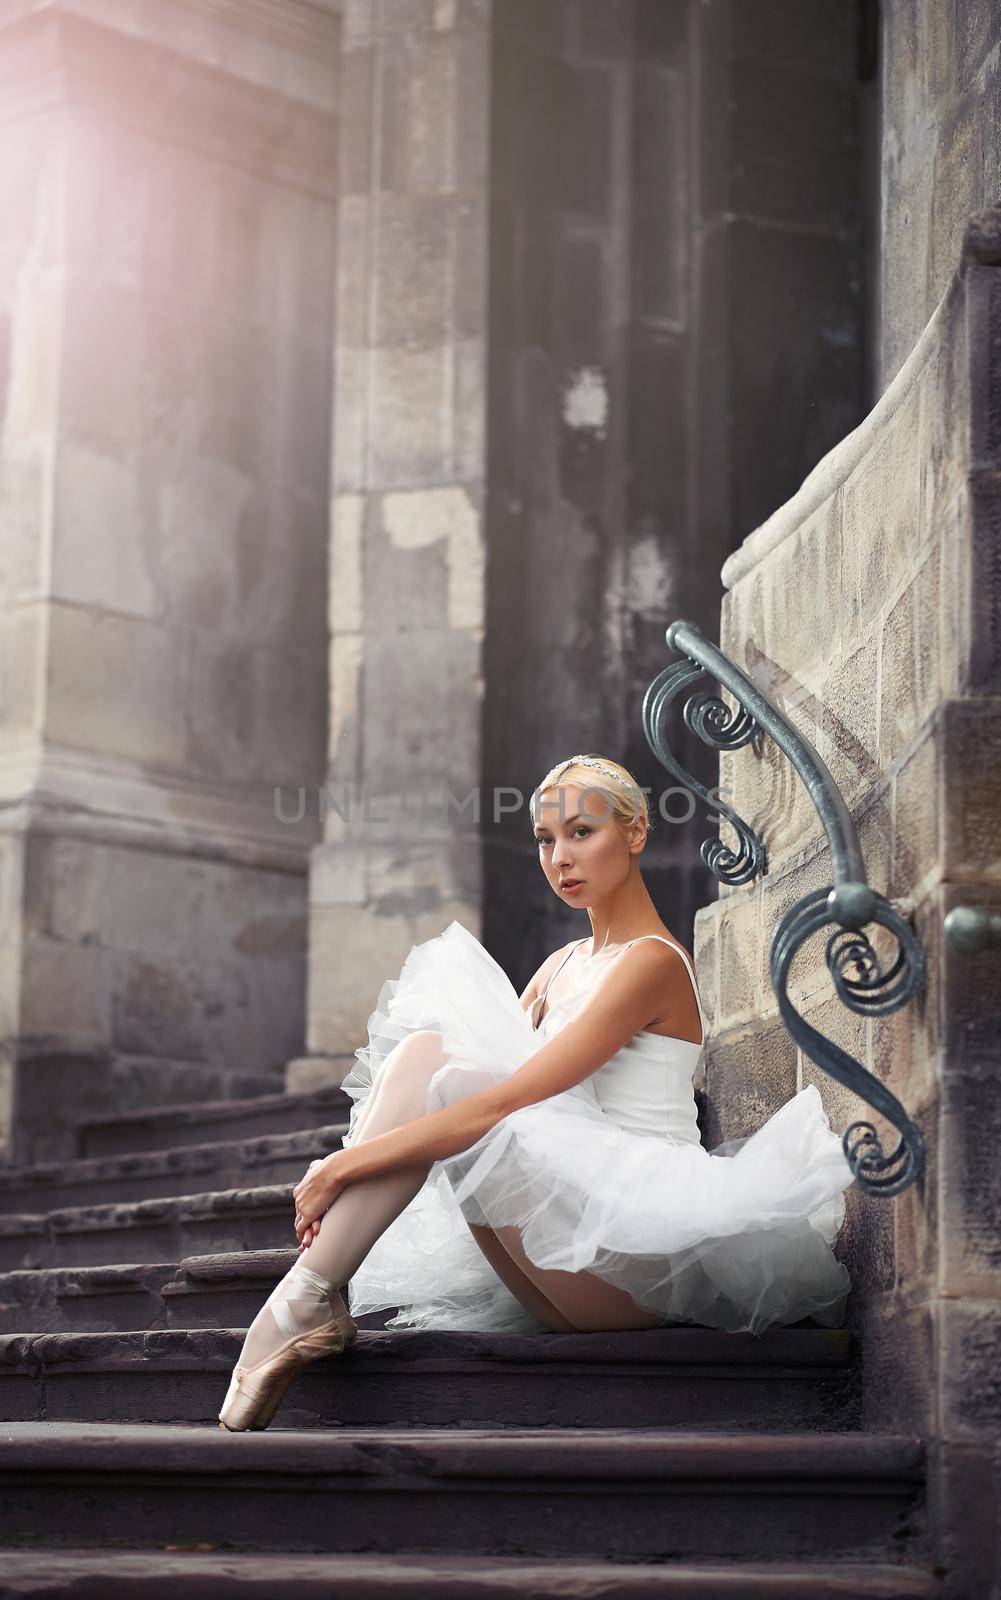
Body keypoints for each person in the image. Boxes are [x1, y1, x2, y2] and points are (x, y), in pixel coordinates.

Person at [218, 754, 854, 1431]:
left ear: (635, 833)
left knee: (455, 1073)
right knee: (427, 1051)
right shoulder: (558, 968)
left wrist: (341, 1165)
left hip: (637, 1258)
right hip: (557, 1258)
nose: (560, 858)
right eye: (546, 841)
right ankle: (309, 1292)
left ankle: (301, 1300)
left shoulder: (651, 963)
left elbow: (499, 1103)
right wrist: (344, 1167)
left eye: (582, 833)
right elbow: (465, 1091)